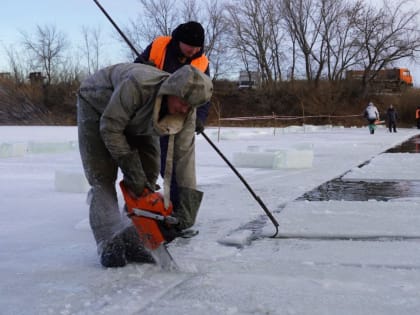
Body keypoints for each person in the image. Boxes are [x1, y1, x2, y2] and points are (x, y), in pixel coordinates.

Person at [77, 63, 213, 267]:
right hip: (98, 105)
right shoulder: (138, 86)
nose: (184, 109)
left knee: (148, 173)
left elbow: (184, 157)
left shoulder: (186, 110)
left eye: (190, 107)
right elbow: (111, 127)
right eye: (183, 102)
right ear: (171, 90)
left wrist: (187, 208)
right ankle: (108, 242)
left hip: (137, 117)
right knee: (102, 177)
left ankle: (131, 233)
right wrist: (129, 166)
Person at [134, 21, 210, 210]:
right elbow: (132, 72)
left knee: (178, 165)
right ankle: (141, 204)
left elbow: (205, 95)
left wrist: (200, 118)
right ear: (179, 41)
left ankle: (179, 208)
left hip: (180, 116)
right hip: (150, 113)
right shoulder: (159, 47)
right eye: (189, 46)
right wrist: (145, 69)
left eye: (197, 47)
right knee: (148, 159)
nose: (193, 51)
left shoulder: (202, 63)